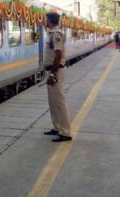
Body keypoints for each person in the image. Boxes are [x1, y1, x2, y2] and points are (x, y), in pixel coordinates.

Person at [43, 12, 72, 142]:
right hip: (51, 71)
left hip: (56, 72)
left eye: (46, 19)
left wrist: (53, 74)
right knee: (52, 102)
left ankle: (65, 132)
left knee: (59, 102)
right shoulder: (51, 34)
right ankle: (56, 126)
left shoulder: (56, 34)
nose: (45, 22)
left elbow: (58, 55)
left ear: (50, 20)